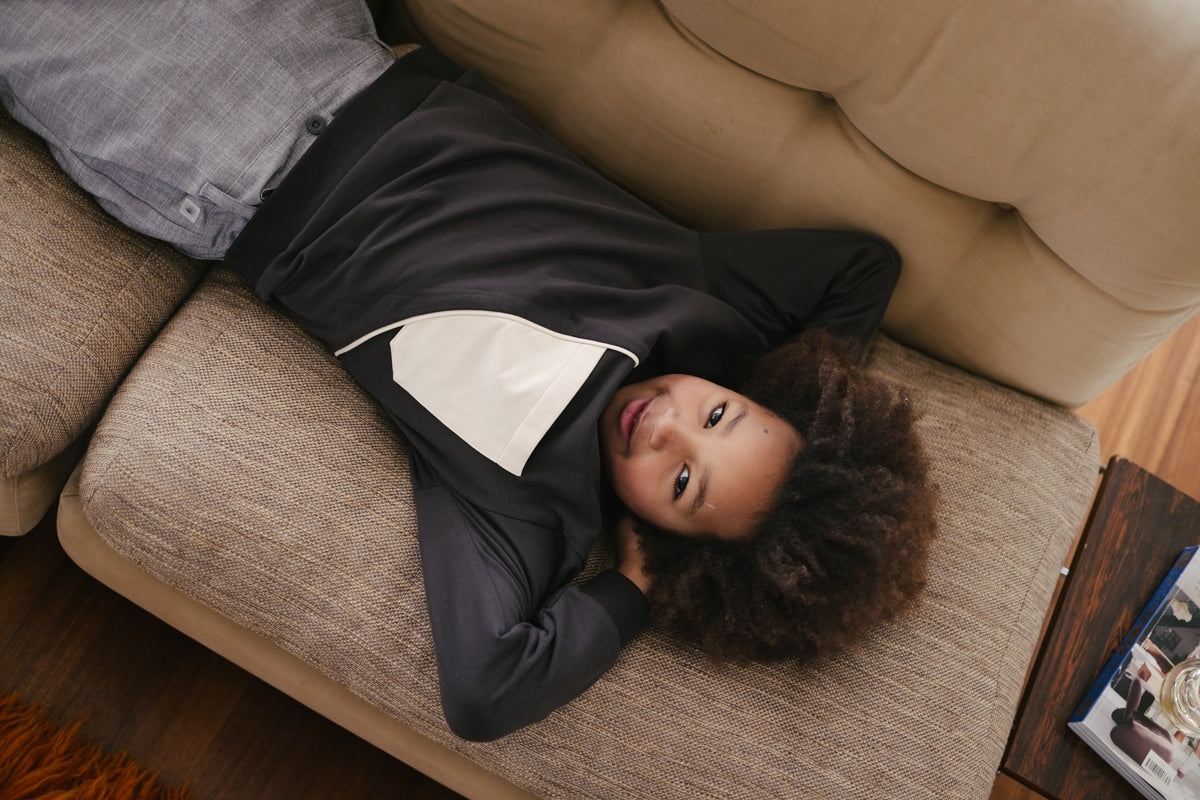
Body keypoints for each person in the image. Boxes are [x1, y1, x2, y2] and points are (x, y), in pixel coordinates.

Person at [0, 0, 937, 741]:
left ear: (670, 539)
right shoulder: (707, 304)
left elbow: (487, 692)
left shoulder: (523, 508)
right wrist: (795, 402)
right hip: (334, 52)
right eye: (720, 416)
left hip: (220, 162)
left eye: (683, 483)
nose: (666, 426)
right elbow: (864, 267)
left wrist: (637, 590)